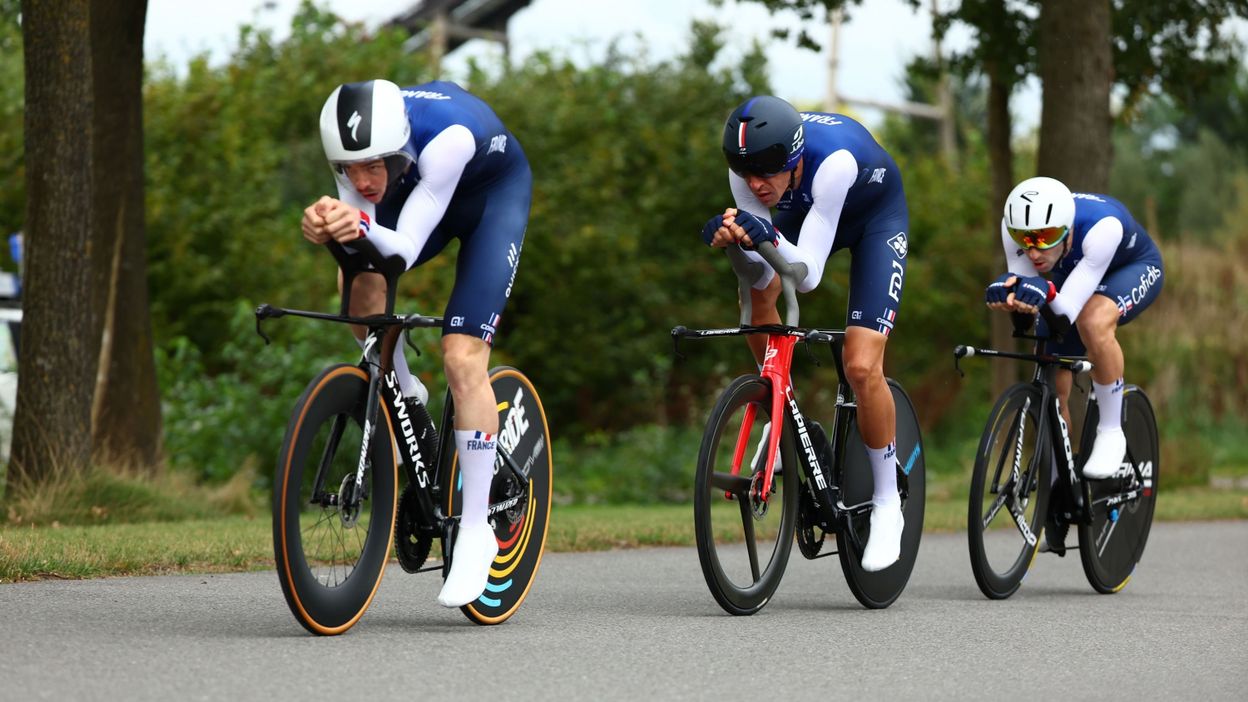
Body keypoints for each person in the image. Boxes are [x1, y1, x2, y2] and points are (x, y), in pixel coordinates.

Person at [301, 79, 531, 608]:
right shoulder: (362, 150)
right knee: (357, 286)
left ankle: (475, 529)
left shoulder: (446, 139)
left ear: (397, 145)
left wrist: (355, 220)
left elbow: (401, 250)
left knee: (461, 356)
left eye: (371, 167)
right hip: (421, 186)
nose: (360, 179)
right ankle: (405, 391)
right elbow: (365, 254)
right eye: (347, 169)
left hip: (490, 199)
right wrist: (324, 223)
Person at [700, 96, 911, 572]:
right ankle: (782, 404)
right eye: (744, 170)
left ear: (794, 160)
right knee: (759, 295)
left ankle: (886, 501)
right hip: (809, 212)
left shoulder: (832, 164)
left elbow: (808, 273)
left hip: (874, 218)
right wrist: (736, 242)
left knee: (860, 363)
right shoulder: (750, 174)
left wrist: (763, 234)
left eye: (767, 171)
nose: (755, 183)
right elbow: (762, 270)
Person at [985, 176, 1163, 482]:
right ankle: (1058, 477)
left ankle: (1110, 430)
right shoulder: (1014, 228)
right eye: (1025, 239)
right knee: (1049, 365)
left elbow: (1066, 311)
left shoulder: (1102, 228)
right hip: (1078, 276)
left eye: (1046, 237)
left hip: (1131, 267)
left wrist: (1044, 292)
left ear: (1067, 230)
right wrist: (1011, 297)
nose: (1034, 251)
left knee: (1092, 322)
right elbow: (1031, 308)